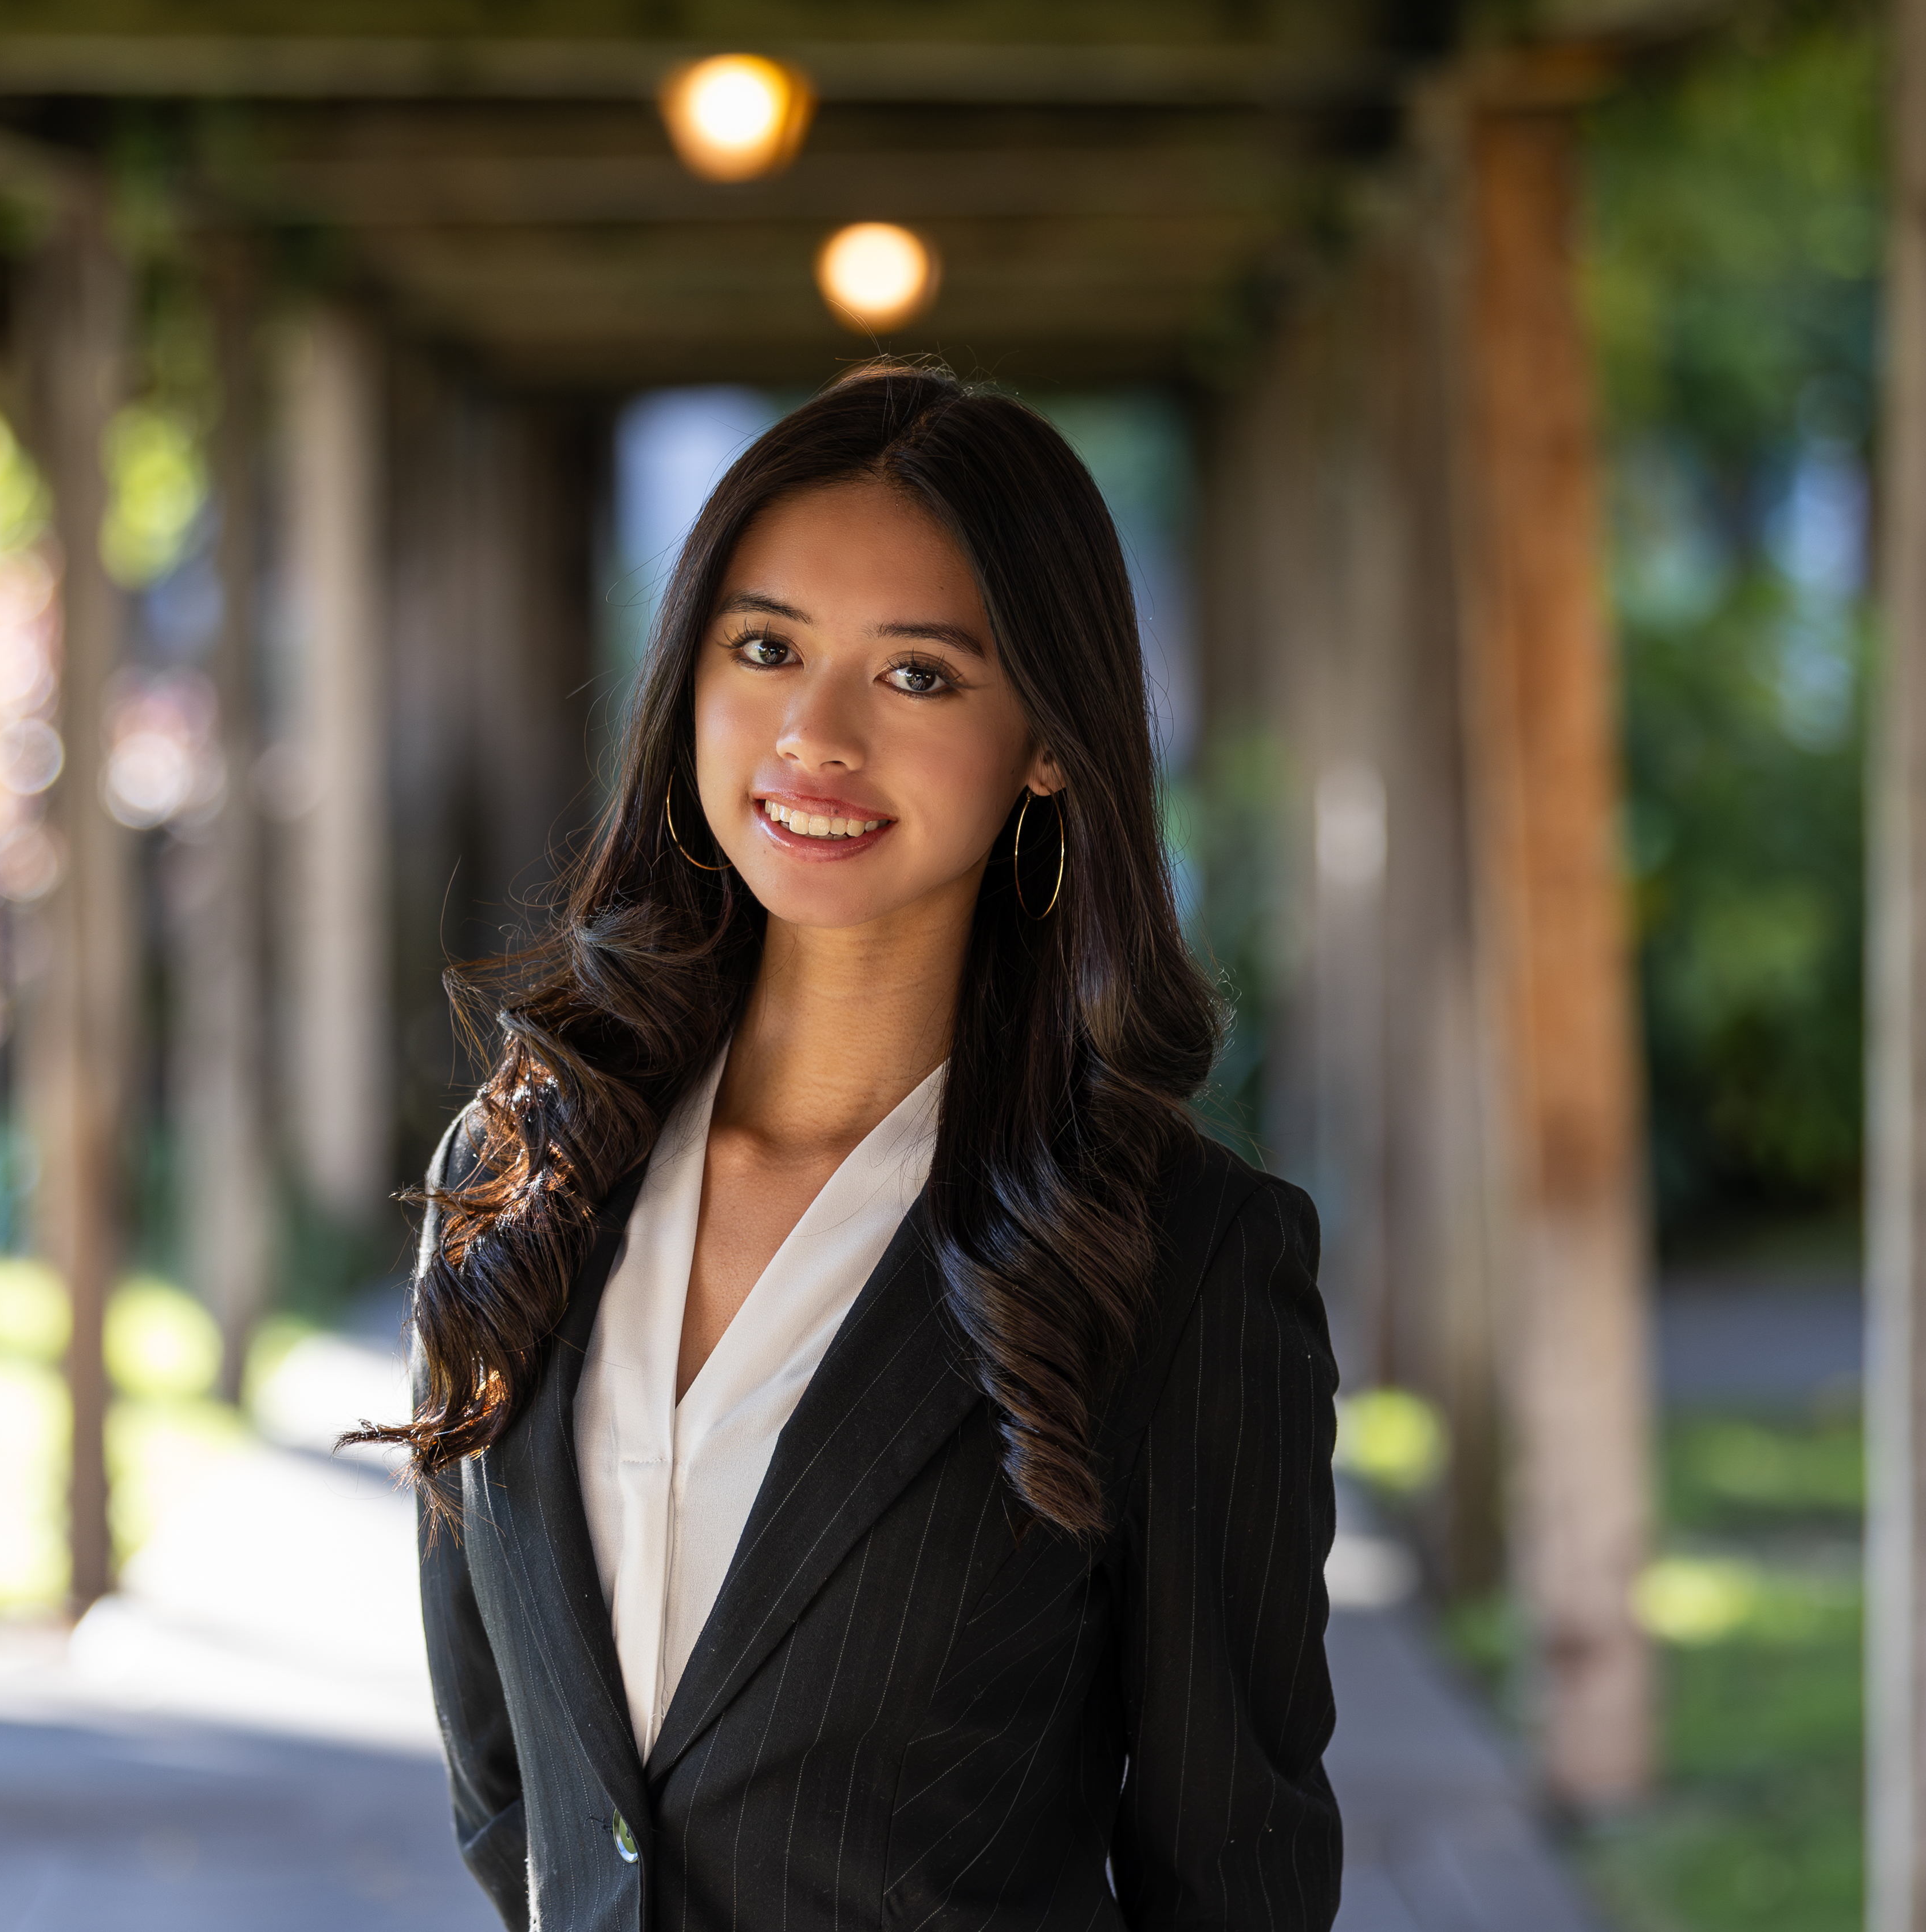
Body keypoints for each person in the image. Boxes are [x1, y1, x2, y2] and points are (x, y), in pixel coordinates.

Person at [368, 363, 1339, 1930]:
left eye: (919, 677)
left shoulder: (1183, 1257)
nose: (811, 735)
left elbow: (1234, 1881)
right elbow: (510, 1794)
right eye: (765, 649)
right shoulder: (521, 1172)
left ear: (1044, 738)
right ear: (687, 673)